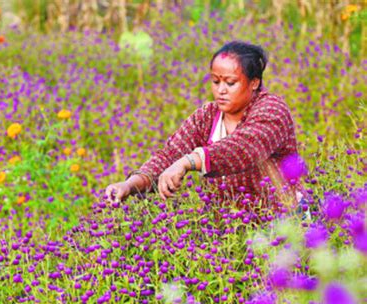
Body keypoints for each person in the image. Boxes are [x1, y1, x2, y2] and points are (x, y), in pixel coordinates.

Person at [105, 41, 301, 208]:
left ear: (254, 83)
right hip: (229, 233)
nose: (221, 90)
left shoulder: (272, 110)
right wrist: (130, 185)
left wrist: (190, 161)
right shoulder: (207, 116)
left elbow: (245, 147)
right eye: (216, 82)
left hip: (280, 225)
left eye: (230, 83)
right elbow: (170, 155)